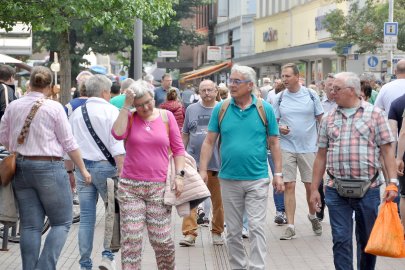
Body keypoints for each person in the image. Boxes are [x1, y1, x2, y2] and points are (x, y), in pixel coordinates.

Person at [0, 66, 91, 270]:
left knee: (30, 226)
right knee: (62, 221)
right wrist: (83, 169)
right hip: (49, 166)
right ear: (50, 87)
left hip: (21, 167)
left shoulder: (13, 106)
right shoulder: (54, 108)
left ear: (29, 83)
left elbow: (4, 138)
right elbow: (69, 143)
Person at [310, 71, 399, 270]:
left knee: (367, 241)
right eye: (331, 88)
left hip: (369, 189)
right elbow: (320, 155)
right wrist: (314, 189)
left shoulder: (375, 114)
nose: (332, 93)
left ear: (352, 91)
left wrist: (392, 182)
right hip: (335, 189)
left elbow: (387, 151)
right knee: (340, 239)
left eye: (336, 89)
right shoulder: (329, 118)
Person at [199, 65, 284, 270]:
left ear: (250, 85)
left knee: (255, 227)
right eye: (231, 81)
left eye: (237, 81)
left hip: (257, 178)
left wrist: (278, 174)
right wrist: (202, 170)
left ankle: (256, 267)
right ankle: (238, 266)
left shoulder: (265, 109)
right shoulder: (222, 108)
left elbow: (274, 142)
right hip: (228, 178)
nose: (231, 85)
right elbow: (209, 141)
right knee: (234, 230)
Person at [112, 80, 185, 270]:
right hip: (130, 187)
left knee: (162, 240)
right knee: (132, 239)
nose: (145, 107)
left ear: (154, 97)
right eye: (139, 105)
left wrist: (179, 176)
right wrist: (126, 106)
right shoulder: (130, 117)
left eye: (148, 102)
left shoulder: (166, 116)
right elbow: (117, 134)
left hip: (159, 187)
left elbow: (178, 150)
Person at [67, 75, 125, 270]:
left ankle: (85, 264)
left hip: (82, 168)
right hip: (107, 168)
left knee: (86, 219)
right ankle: (107, 257)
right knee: (112, 214)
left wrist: (69, 172)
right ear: (105, 92)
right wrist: (122, 172)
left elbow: (69, 145)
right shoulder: (112, 111)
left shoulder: (76, 113)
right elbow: (117, 146)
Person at [273, 63, 324, 240]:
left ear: (297, 76)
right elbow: (273, 123)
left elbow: (321, 119)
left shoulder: (311, 95)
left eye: (287, 76)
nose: (284, 79)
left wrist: (323, 142)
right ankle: (291, 225)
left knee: (310, 186)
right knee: (289, 185)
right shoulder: (279, 98)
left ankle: (312, 216)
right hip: (286, 146)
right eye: (283, 76)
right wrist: (280, 128)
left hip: (309, 147)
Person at [179, 79, 224, 247]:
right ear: (199, 91)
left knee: (218, 202)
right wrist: (180, 155)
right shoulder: (191, 109)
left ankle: (217, 232)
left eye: (209, 90)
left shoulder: (223, 108)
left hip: (217, 164)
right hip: (193, 163)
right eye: (203, 90)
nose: (206, 93)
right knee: (190, 198)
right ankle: (190, 233)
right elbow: (185, 134)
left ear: (216, 91)